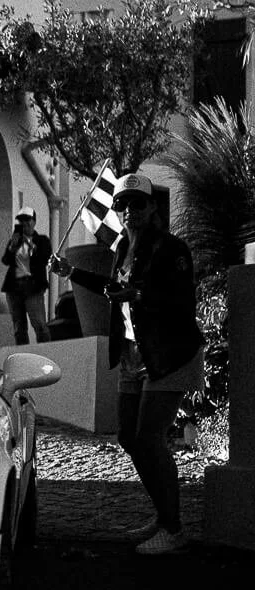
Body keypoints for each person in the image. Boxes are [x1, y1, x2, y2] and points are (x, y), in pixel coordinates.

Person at [49, 172, 204, 556]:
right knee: (129, 438)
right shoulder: (122, 249)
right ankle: (163, 513)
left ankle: (173, 526)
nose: (129, 210)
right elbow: (113, 288)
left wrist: (140, 294)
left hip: (168, 354)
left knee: (150, 438)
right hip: (135, 353)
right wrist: (72, 274)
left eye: (138, 202)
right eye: (123, 204)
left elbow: (183, 304)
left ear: (152, 207)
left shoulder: (171, 249)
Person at [1, 206, 52, 344]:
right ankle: (23, 355)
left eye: (27, 220)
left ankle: (46, 352)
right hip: (14, 288)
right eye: (22, 220)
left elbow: (45, 258)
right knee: (19, 328)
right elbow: (5, 260)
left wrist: (30, 244)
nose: (25, 223)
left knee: (39, 323)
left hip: (33, 288)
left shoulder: (42, 240)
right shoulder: (15, 241)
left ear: (34, 221)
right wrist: (12, 246)